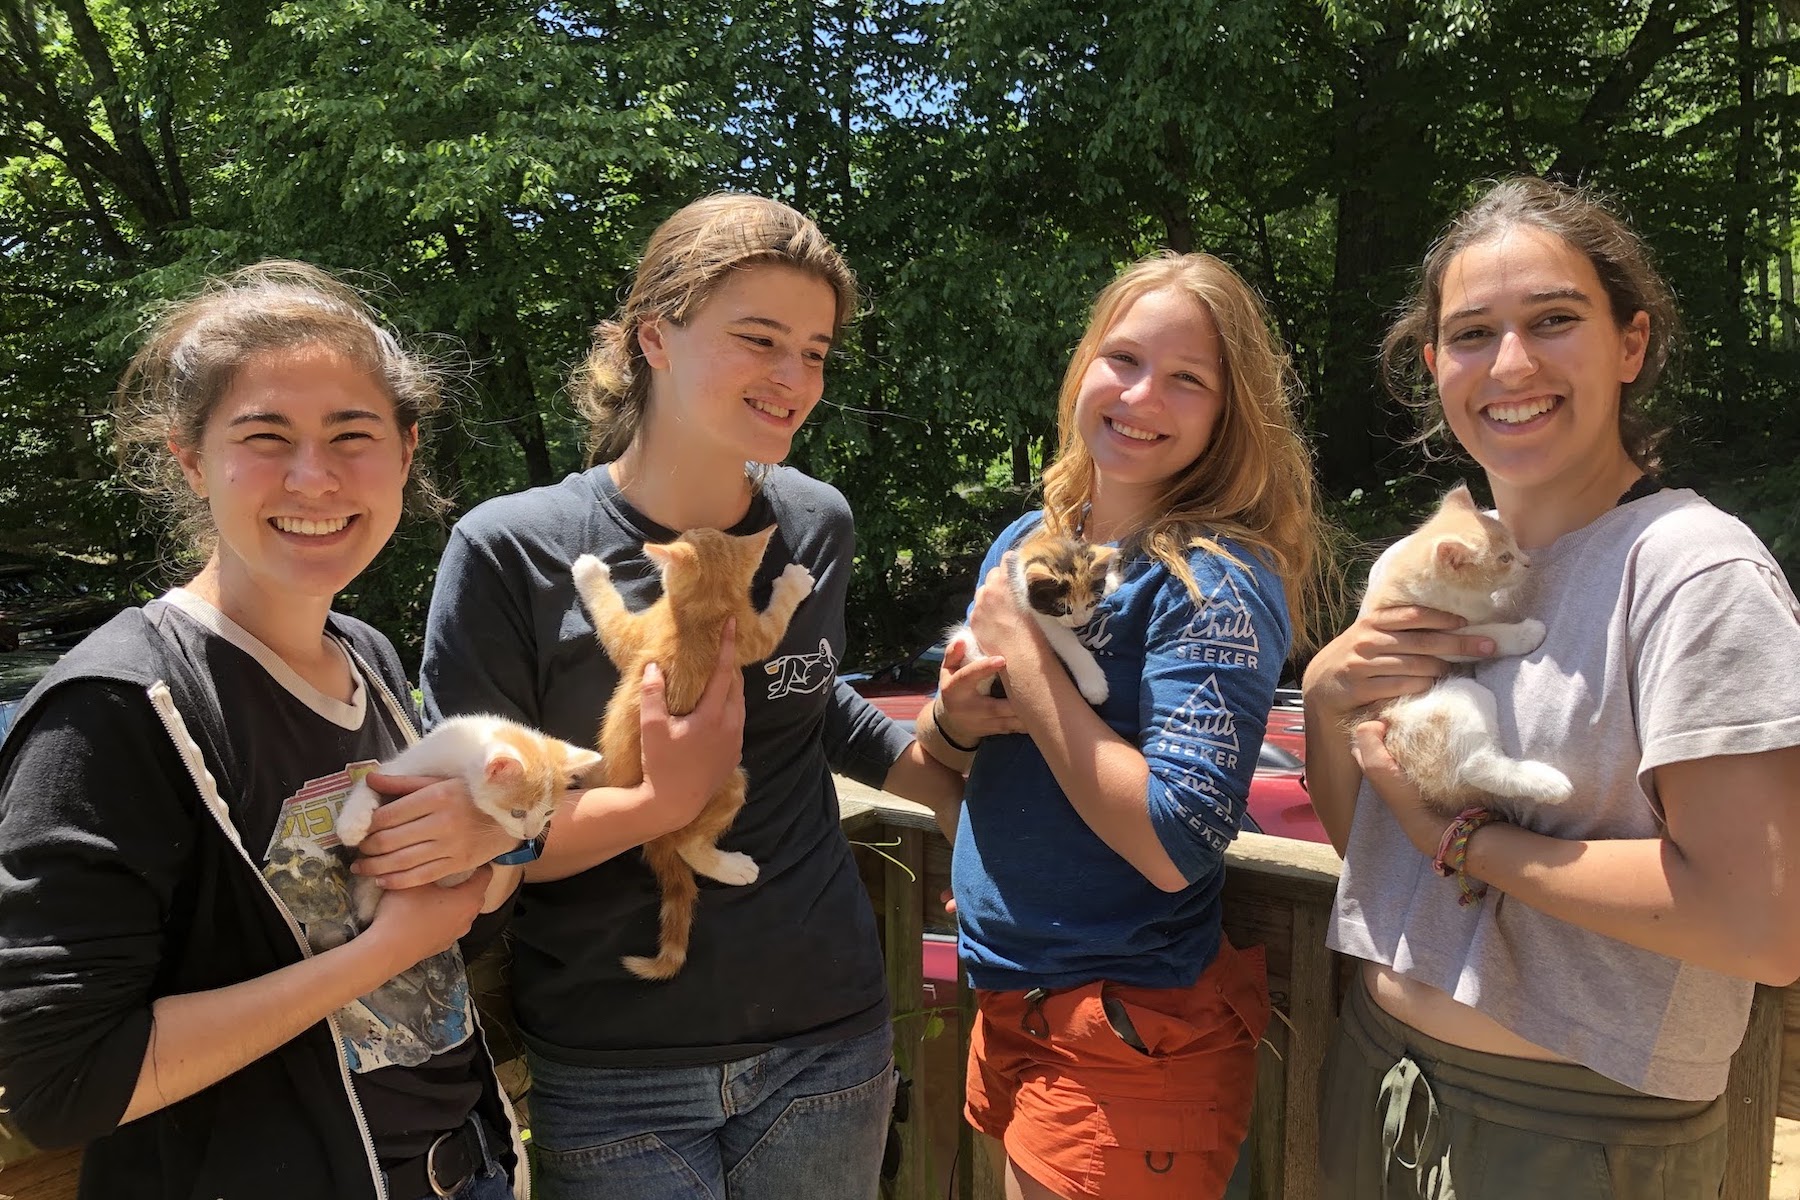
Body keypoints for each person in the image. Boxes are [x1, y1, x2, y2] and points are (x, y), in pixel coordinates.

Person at [418, 192, 963, 1199]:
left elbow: (811, 700)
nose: (795, 377)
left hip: (828, 1038)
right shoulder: (510, 549)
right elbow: (474, 827)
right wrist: (657, 807)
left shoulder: (817, 523)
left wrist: (958, 786)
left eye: (816, 350)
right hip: (615, 1057)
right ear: (654, 339)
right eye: (759, 339)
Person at [1303, 176, 1800, 1199]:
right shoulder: (1425, 563)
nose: (1512, 363)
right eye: (1473, 333)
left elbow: (1762, 925)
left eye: (1553, 320)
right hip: (1376, 1073)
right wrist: (1322, 695)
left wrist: (1473, 842)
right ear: (1435, 366)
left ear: (1631, 343)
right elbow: (1371, 841)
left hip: (1571, 1135)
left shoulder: (1692, 573)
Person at [0, 262, 530, 1198]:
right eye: (265, 436)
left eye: (351, 434)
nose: (313, 476)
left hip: (466, 1170)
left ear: (407, 452)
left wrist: (494, 846)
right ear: (190, 460)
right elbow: (63, 1085)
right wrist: (381, 952)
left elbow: (443, 919)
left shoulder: (365, 654)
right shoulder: (117, 708)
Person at [914, 252, 1323, 1200]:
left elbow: (1176, 843)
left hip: (1127, 1031)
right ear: (1083, 367)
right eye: (1124, 358)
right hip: (1017, 1003)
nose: (1144, 395)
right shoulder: (1026, 540)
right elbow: (960, 757)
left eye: (1189, 379)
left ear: (1228, 415)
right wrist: (957, 718)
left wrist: (1023, 652)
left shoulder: (1213, 580)